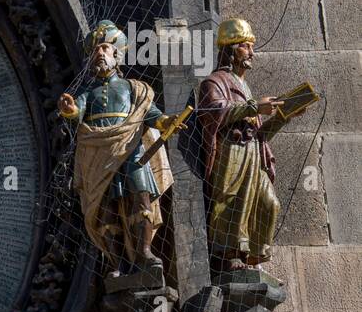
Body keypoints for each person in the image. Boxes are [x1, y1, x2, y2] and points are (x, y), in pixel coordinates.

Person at [59, 20, 183, 273]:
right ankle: (117, 262)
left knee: (141, 199)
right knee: (105, 208)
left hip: (132, 152)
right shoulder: (87, 91)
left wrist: (167, 121)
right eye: (96, 50)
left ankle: (144, 252)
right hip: (98, 154)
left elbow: (152, 114)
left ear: (117, 53)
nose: (100, 54)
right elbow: (77, 112)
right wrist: (70, 110)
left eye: (105, 49)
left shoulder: (133, 88)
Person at [197, 17, 284, 271]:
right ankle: (228, 256)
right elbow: (213, 111)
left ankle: (254, 256)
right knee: (231, 202)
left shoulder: (244, 86)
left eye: (251, 46)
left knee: (269, 203)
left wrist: (283, 116)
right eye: (246, 46)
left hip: (252, 154)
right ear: (231, 49)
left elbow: (259, 133)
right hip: (231, 153)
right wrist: (254, 106)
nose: (252, 53)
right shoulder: (214, 82)